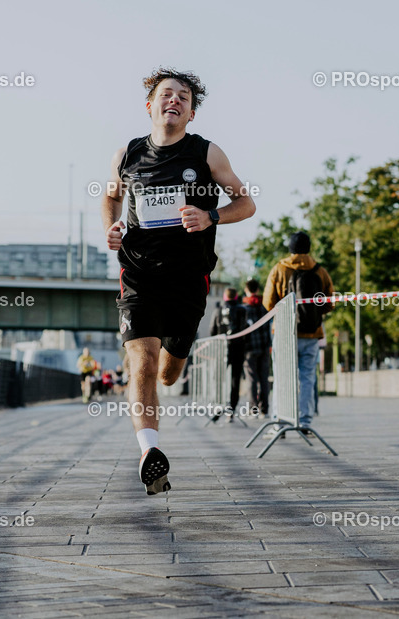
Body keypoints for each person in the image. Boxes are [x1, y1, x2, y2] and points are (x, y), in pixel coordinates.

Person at [101, 67, 255, 495]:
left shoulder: (206, 154)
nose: (174, 100)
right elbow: (111, 196)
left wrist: (211, 216)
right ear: (150, 106)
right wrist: (111, 228)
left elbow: (246, 202)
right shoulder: (127, 154)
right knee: (143, 364)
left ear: (190, 113)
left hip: (189, 278)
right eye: (166, 94)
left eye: (183, 97)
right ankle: (150, 452)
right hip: (139, 274)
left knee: (169, 372)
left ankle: (173, 366)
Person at [262, 231, 334, 431]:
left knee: (283, 377)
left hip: (286, 334)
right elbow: (330, 302)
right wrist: (315, 313)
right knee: (308, 377)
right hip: (312, 333)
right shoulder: (320, 271)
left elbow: (268, 303)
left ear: (290, 248)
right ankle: (305, 422)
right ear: (309, 247)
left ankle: (279, 422)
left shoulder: (279, 269)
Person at [209, 287, 246, 421]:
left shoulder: (218, 310)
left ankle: (218, 407)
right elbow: (246, 329)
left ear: (225, 297)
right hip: (238, 348)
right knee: (235, 380)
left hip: (221, 348)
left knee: (218, 379)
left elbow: (212, 331)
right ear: (236, 296)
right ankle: (231, 410)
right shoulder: (242, 310)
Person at [240, 278, 272, 417]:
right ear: (258, 290)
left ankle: (253, 408)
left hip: (249, 349)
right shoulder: (264, 306)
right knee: (264, 378)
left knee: (252, 379)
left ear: (246, 290)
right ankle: (264, 408)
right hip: (264, 347)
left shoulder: (244, 308)